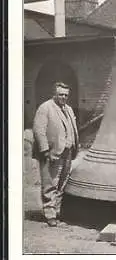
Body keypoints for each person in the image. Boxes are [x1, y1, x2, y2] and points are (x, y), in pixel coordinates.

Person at [33, 81, 79, 227]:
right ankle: (50, 214)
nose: (63, 97)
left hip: (67, 152)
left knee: (62, 183)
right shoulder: (45, 108)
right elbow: (39, 130)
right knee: (50, 183)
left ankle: (57, 211)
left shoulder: (69, 109)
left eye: (66, 95)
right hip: (52, 153)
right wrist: (45, 151)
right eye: (60, 94)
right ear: (54, 94)